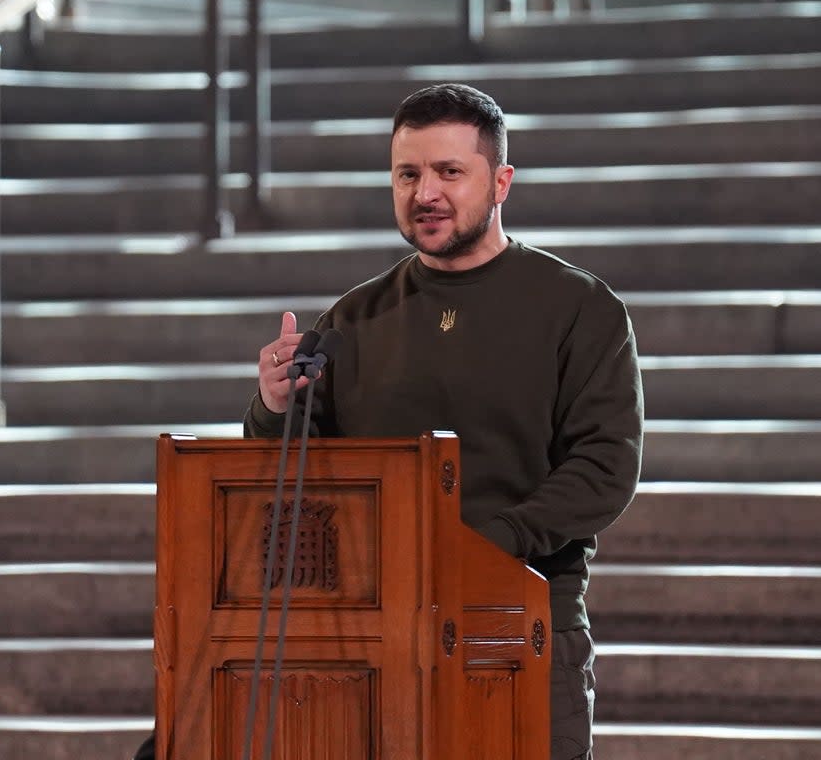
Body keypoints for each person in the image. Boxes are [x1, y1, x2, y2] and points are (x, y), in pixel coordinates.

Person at [243, 82, 644, 760]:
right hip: (374, 634)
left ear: (501, 181)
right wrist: (275, 406)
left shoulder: (577, 307)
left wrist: (487, 542)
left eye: (448, 172)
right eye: (408, 173)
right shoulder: (354, 318)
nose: (425, 192)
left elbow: (605, 466)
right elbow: (295, 476)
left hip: (519, 622)